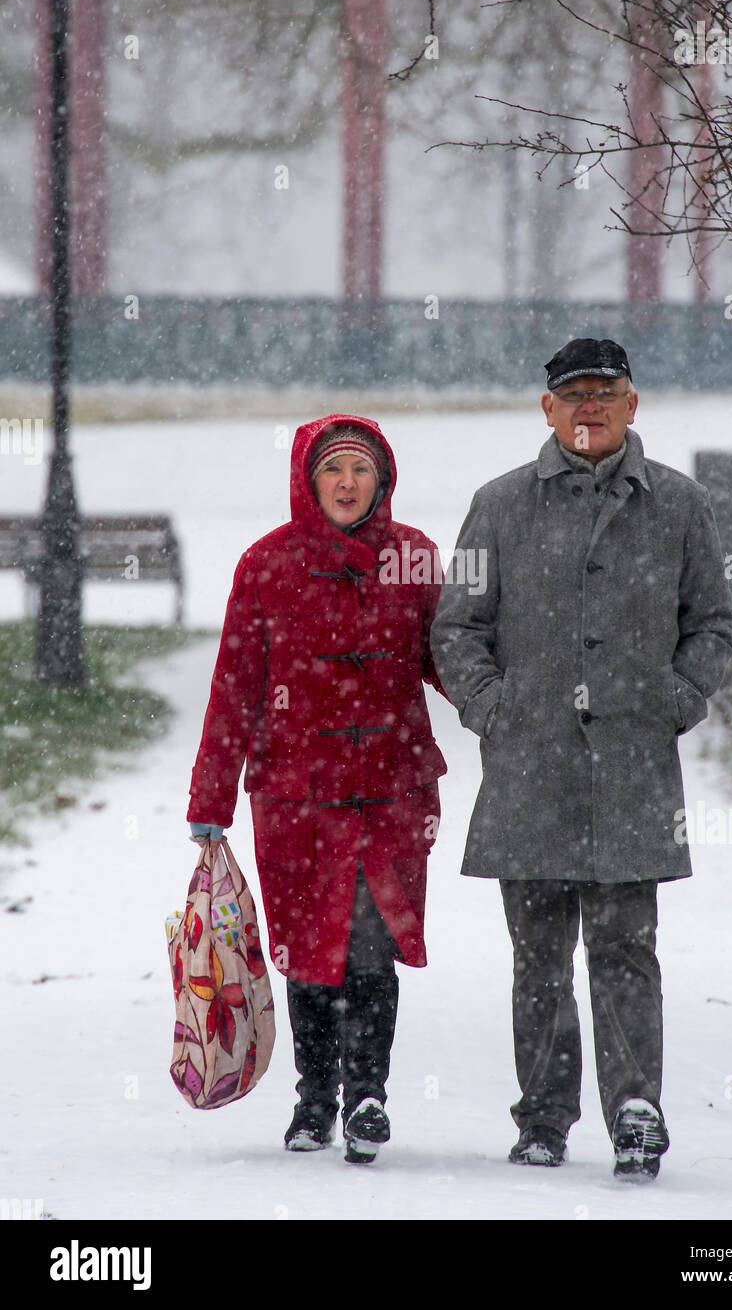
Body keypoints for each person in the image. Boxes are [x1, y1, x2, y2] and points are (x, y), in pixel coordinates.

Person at [430, 337, 732, 1179]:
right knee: (537, 956)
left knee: (626, 947)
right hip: (529, 767)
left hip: (633, 771)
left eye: (605, 393)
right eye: (574, 396)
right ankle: (543, 1116)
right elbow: (457, 626)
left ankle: (637, 1110)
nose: (589, 407)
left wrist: (677, 700)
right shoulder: (498, 506)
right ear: (548, 410)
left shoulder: (679, 505)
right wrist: (492, 710)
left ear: (633, 404)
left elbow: (712, 624)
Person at [187, 414, 448, 1163]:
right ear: (308, 479)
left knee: (371, 944)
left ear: (383, 480)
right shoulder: (265, 565)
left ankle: (367, 1096)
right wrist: (211, 799)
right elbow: (234, 687)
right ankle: (313, 1101)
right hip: (296, 797)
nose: (346, 483)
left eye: (360, 470)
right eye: (332, 470)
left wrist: (510, 697)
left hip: (391, 789)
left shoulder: (413, 559)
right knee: (308, 950)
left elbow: (450, 658)